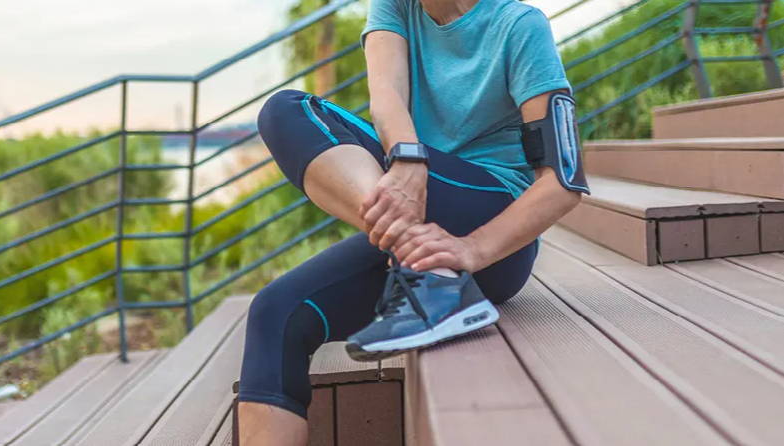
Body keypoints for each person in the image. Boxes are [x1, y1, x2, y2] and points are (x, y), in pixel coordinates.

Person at [237, 0, 589, 444]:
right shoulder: (395, 8)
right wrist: (407, 158)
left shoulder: (518, 25)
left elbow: (564, 181)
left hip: (493, 230)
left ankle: (437, 276)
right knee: (276, 313)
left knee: (291, 109)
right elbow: (386, 99)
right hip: (424, 234)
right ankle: (430, 277)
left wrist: (472, 249)